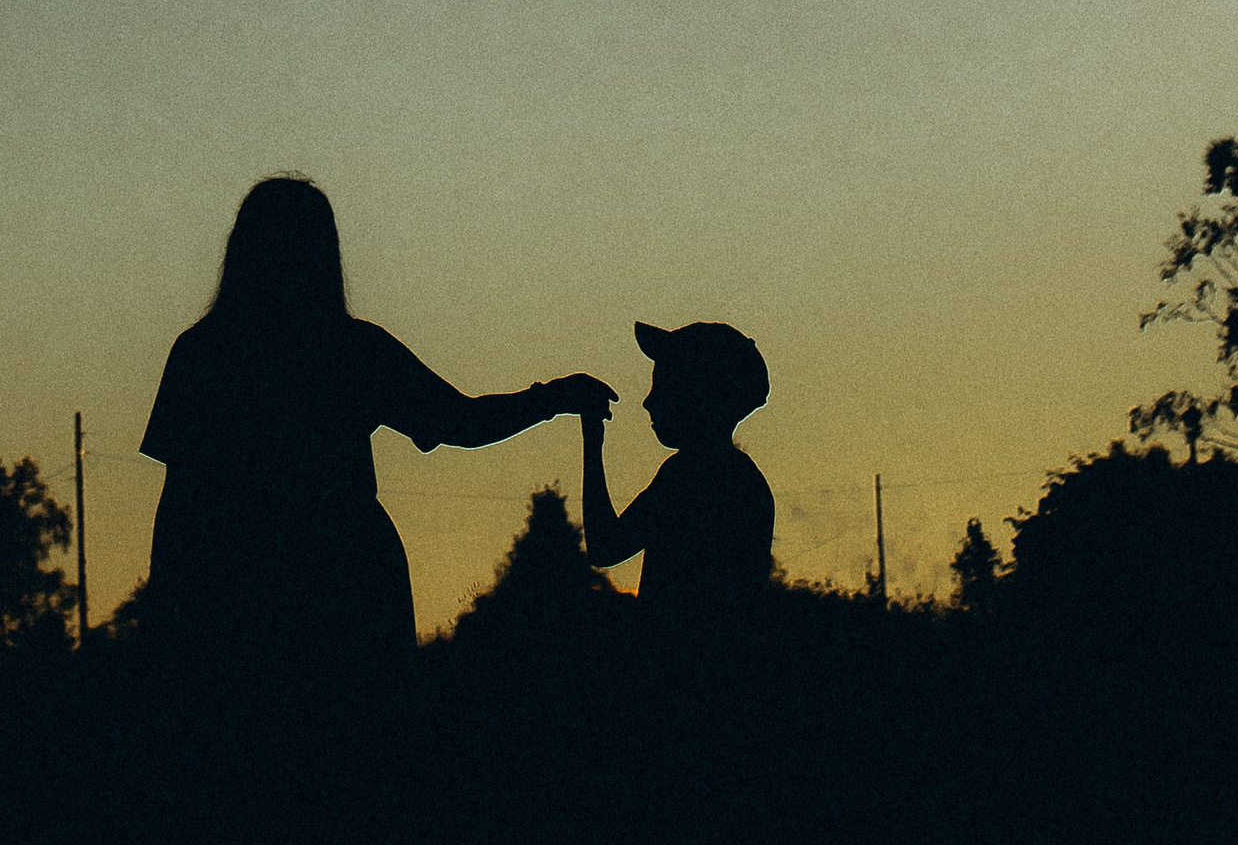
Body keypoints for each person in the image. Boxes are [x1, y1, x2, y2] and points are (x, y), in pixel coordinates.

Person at [141, 175, 612, 681]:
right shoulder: (353, 350)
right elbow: (462, 421)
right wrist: (551, 398)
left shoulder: (202, 353)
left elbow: (179, 505)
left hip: (233, 588)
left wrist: (167, 618)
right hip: (349, 579)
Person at [579, 320, 774, 623]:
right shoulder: (740, 478)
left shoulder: (690, 476)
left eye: (665, 384)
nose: (649, 401)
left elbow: (606, 547)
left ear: (700, 394)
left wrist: (592, 441)